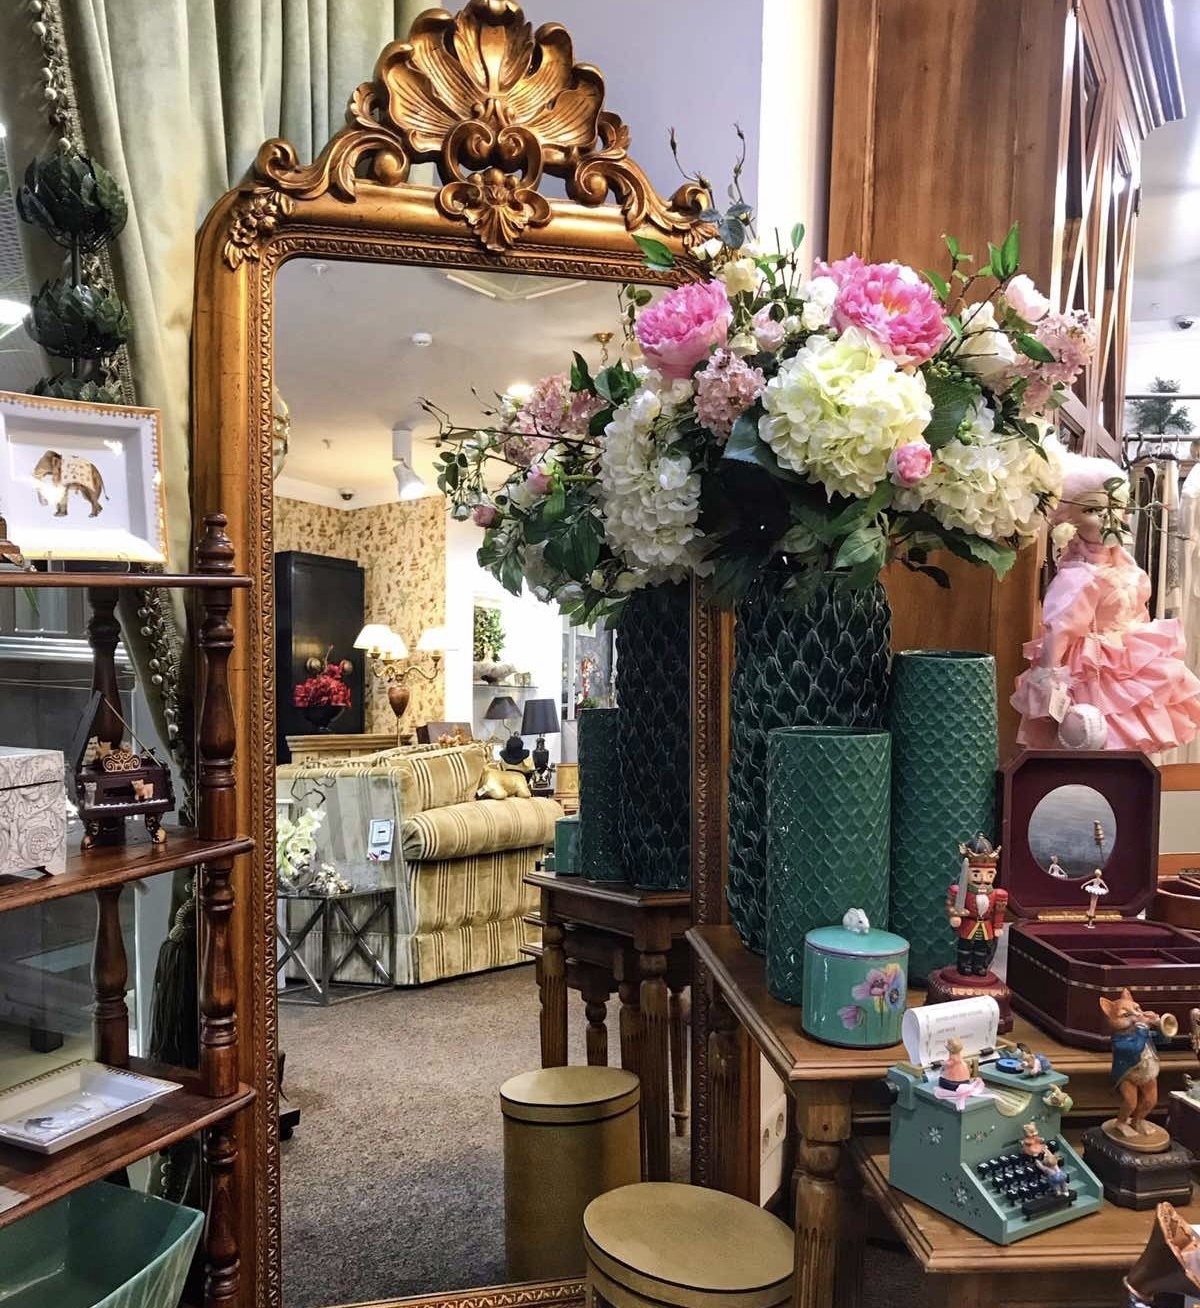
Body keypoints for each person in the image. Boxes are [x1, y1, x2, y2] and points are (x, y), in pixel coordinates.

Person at [1012, 451, 1200, 751]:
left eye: (1115, 507)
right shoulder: (1078, 576)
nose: (1107, 517)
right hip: (1090, 668)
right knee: (1094, 738)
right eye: (1093, 510)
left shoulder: (1125, 566)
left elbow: (1136, 613)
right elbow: (1060, 629)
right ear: (1068, 521)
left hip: (1127, 659)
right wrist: (1048, 679)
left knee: (1129, 736)